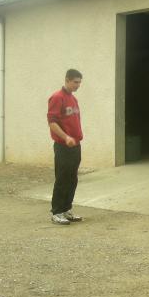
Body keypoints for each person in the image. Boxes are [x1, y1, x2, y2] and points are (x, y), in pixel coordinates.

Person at [47, 69, 84, 225]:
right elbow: (52, 123)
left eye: (80, 82)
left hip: (75, 145)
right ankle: (56, 212)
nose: (78, 85)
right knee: (62, 178)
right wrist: (66, 137)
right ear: (67, 80)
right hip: (63, 146)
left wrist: (74, 138)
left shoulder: (73, 99)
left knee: (72, 179)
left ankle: (66, 209)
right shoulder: (57, 97)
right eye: (75, 82)